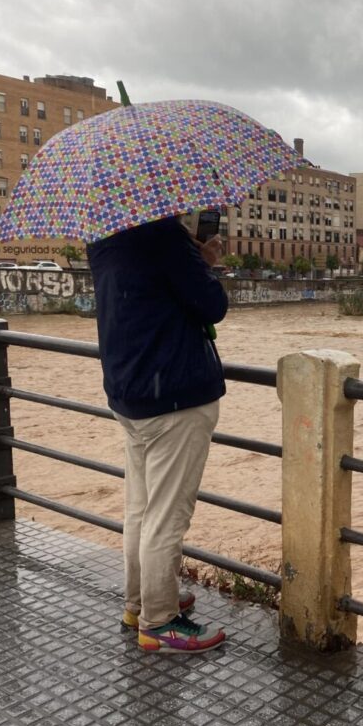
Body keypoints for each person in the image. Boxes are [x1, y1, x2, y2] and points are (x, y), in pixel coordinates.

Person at [88, 215, 228, 654]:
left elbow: (145, 293)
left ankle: (139, 603)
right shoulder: (164, 235)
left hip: (131, 392)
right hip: (174, 395)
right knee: (166, 517)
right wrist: (204, 260)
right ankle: (160, 621)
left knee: (140, 510)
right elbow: (212, 306)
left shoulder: (102, 233)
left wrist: (190, 255)